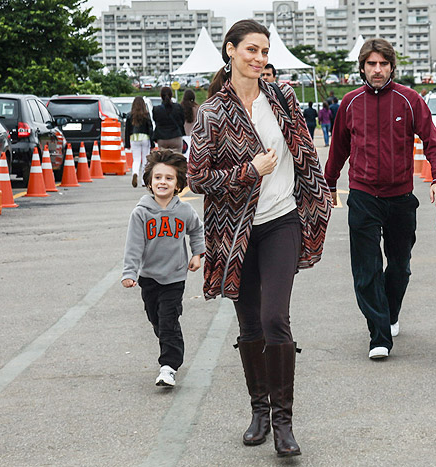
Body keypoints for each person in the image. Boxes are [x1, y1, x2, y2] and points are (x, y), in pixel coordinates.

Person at [188, 20, 331, 458]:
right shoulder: (211, 112)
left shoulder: (282, 97)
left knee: (274, 320)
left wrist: (318, 195)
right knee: (250, 325)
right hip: (234, 232)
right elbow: (196, 179)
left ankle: (284, 421)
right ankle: (259, 411)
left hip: (282, 220)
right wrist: (250, 171)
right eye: (251, 50)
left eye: (264, 51)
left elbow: (304, 149)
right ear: (230, 51)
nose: (259, 58)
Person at [325, 38, 436, 360]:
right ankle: (379, 336)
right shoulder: (350, 104)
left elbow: (433, 142)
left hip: (400, 199)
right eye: (371, 64)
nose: (377, 70)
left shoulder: (410, 100)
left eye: (383, 64)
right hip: (363, 196)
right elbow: (338, 150)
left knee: (400, 268)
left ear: (392, 66)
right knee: (366, 270)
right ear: (362, 68)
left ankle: (390, 313)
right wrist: (326, 187)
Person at [121, 149, 205, 387]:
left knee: (168, 321)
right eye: (158, 177)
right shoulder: (141, 213)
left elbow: (197, 230)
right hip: (149, 277)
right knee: (156, 319)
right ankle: (171, 343)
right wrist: (129, 272)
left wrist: (197, 255)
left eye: (169, 178)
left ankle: (168, 366)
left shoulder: (184, 210)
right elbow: (133, 246)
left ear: (178, 183)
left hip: (175, 277)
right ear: (149, 181)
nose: (162, 182)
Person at [125, 96, 154, 188]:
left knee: (136, 159)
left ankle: (135, 173)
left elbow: (127, 130)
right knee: (145, 159)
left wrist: (127, 143)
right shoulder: (146, 114)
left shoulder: (130, 115)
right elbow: (150, 129)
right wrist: (152, 142)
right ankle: (143, 181)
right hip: (145, 137)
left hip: (134, 138)